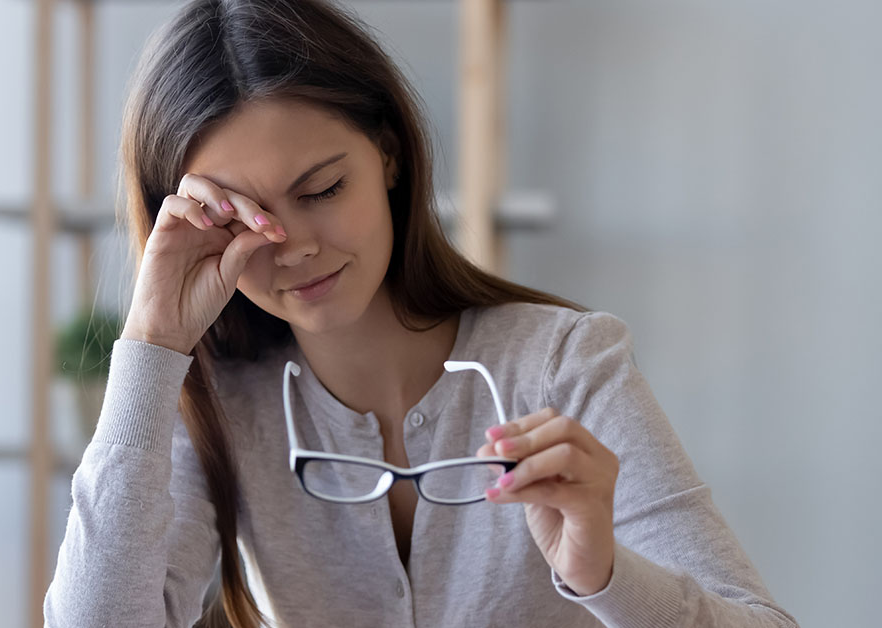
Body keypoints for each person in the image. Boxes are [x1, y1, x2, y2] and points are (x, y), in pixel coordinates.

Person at [43, 1, 799, 626]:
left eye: (322, 190)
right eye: (243, 220)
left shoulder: (563, 364)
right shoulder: (212, 400)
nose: (296, 248)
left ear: (390, 157)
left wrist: (605, 574)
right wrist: (151, 345)